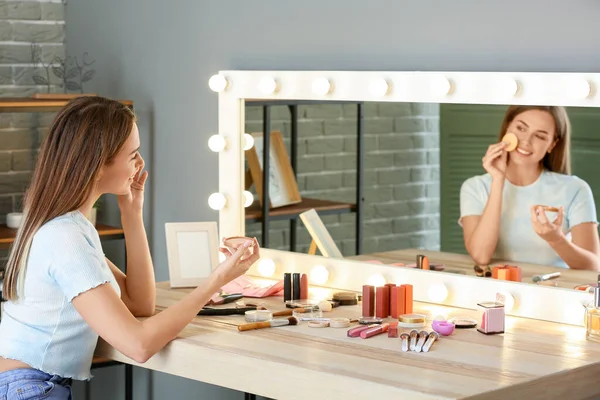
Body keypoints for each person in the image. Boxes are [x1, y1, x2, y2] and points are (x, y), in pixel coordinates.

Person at [0, 96, 260, 399]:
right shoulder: (65, 237)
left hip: (28, 384)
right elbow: (138, 345)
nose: (140, 164)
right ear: (98, 166)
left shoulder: (65, 226)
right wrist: (218, 280)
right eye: (133, 154)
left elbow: (139, 304)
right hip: (32, 388)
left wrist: (132, 214)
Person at [459, 105, 600, 270]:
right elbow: (481, 256)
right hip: (497, 289)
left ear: (552, 145)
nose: (526, 141)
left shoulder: (576, 189)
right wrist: (498, 180)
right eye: (520, 128)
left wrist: (556, 239)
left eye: (540, 136)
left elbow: (593, 267)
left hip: (555, 290)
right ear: (507, 128)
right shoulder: (474, 187)